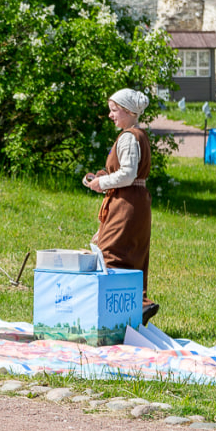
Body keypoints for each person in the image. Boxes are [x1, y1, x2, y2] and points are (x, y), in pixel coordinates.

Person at [81, 87, 157, 324]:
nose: (110, 115)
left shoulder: (128, 137)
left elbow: (127, 174)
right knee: (132, 254)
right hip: (135, 202)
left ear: (127, 111)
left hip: (126, 204)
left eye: (114, 110)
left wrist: (101, 182)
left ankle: (131, 308)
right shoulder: (138, 136)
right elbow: (128, 173)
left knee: (111, 254)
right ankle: (134, 307)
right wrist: (101, 177)